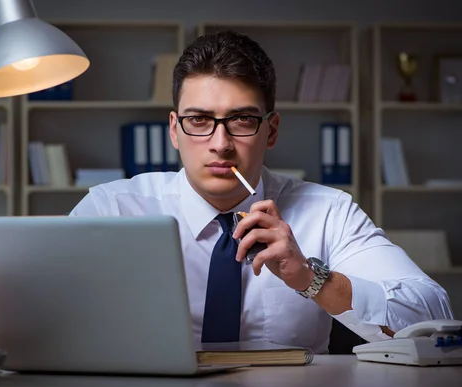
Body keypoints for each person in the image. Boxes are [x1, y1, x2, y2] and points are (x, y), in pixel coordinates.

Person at [68, 30, 453, 353]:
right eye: (199, 120)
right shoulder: (112, 209)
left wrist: (311, 278)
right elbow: (40, 313)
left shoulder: (329, 212)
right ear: (174, 130)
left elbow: (434, 319)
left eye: (241, 120)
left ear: (271, 130)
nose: (220, 143)